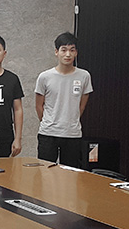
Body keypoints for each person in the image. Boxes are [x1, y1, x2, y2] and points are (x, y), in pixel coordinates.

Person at [34, 32, 93, 167]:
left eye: (72, 50)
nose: (68, 54)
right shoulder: (45, 77)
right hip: (48, 133)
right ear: (56, 52)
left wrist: (71, 120)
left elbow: (82, 105)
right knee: (45, 172)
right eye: (64, 50)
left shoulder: (84, 76)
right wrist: (49, 121)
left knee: (70, 173)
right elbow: (38, 106)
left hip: (72, 134)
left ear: (76, 52)